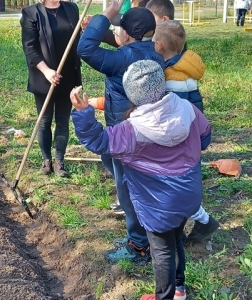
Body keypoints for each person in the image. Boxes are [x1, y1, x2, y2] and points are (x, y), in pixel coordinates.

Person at [70, 60, 211, 300]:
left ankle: (164, 296)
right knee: (176, 238)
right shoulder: (187, 109)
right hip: (188, 194)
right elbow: (204, 139)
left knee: (162, 252)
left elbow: (98, 142)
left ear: (131, 93)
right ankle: (179, 289)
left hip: (158, 205)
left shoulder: (131, 130)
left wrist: (83, 113)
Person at [90, 0, 220, 244]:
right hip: (181, 140)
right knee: (177, 188)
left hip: (166, 138)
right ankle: (189, 226)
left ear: (159, 41)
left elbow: (169, 115)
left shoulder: (166, 77)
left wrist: (103, 19)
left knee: (167, 188)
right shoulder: (177, 67)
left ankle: (153, 239)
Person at [78, 1, 164, 266]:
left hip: (124, 133)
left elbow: (85, 48)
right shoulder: (154, 53)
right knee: (128, 178)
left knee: (126, 187)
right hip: (149, 130)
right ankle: (145, 235)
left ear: (126, 34)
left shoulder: (122, 59)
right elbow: (120, 48)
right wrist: (100, 25)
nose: (117, 34)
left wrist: (104, 16)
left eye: (119, 30)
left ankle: (138, 245)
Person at [20, 0, 82, 177]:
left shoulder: (71, 8)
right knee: (45, 121)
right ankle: (46, 160)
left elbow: (76, 38)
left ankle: (59, 161)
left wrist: (83, 28)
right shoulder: (31, 13)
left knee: (63, 121)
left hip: (67, 74)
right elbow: (30, 48)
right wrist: (47, 71)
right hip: (43, 76)